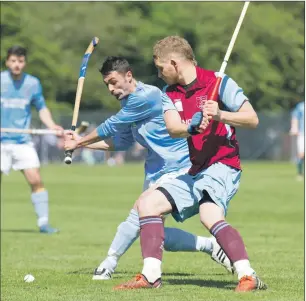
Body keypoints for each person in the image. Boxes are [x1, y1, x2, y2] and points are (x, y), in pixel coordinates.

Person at [114, 36, 267, 292]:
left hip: (223, 164)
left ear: (174, 63)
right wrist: (192, 125)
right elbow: (174, 129)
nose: (160, 74)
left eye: (161, 68)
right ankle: (151, 276)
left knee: (209, 216)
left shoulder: (219, 82)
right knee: (147, 204)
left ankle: (248, 276)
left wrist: (221, 115)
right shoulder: (168, 94)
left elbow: (252, 119)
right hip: (194, 169)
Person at [64, 56, 233, 280]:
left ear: (129, 76)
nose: (111, 89)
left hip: (179, 166)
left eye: (114, 82)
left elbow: (110, 126)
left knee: (137, 212)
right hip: (156, 170)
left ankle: (108, 263)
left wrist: (79, 141)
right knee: (151, 230)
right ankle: (211, 247)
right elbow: (121, 142)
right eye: (107, 85)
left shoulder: (146, 96)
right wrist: (82, 144)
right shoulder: (127, 103)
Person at [1, 46, 63, 234]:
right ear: (7, 62)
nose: (16, 65)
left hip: (22, 141)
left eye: (20, 61)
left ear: (24, 63)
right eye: (13, 61)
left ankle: (43, 223)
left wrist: (52, 126)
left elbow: (41, 108)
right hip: (1, 141)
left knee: (35, 180)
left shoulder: (33, 84)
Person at [290, 101, 304, 181]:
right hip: (303, 133)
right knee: (301, 154)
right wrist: (294, 128)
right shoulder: (301, 106)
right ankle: (299, 174)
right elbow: (295, 117)